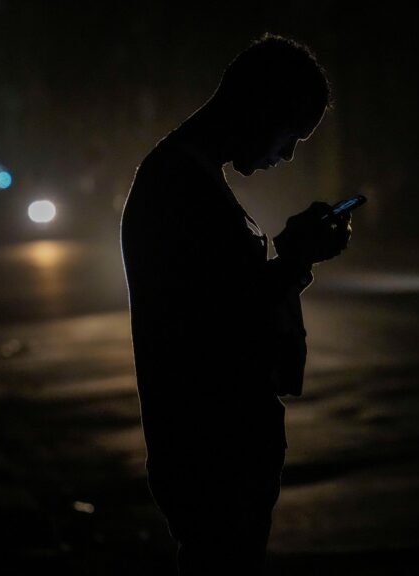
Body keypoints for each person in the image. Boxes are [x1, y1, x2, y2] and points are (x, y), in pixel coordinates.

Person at [119, 34, 352, 575]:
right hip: (210, 449)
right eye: (289, 133)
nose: (288, 153)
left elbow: (224, 300)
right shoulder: (179, 185)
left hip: (219, 446)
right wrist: (296, 261)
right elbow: (215, 323)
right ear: (259, 106)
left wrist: (293, 257)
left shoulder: (190, 177)